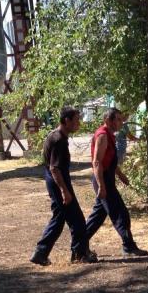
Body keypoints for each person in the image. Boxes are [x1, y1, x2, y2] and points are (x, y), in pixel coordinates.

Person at [30, 105, 96, 266]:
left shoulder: (56, 135)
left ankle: (40, 253)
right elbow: (54, 168)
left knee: (59, 219)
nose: (79, 123)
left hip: (54, 181)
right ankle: (80, 254)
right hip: (58, 182)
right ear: (67, 120)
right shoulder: (59, 140)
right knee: (77, 219)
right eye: (76, 120)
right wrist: (64, 191)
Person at [84, 108, 148, 258]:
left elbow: (110, 161)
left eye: (121, 119)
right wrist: (101, 186)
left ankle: (79, 244)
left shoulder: (110, 135)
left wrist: (120, 175)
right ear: (108, 120)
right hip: (103, 179)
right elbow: (97, 163)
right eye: (118, 119)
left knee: (97, 217)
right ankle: (128, 247)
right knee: (120, 214)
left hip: (107, 179)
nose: (121, 122)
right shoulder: (102, 135)